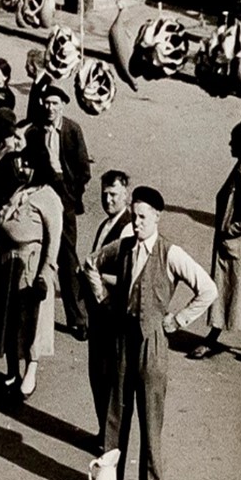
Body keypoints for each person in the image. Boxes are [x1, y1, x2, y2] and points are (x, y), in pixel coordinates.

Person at [84, 186, 216, 480]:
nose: (136, 222)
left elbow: (208, 289)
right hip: (122, 341)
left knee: (150, 422)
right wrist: (103, 297)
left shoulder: (170, 253)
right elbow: (91, 263)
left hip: (152, 345)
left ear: (157, 217)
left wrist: (178, 319)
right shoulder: (125, 246)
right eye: (134, 216)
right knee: (116, 416)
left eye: (143, 217)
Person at [0, 147, 63, 400]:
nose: (22, 169)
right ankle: (13, 370)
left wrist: (45, 273)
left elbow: (54, 239)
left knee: (29, 321)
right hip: (9, 262)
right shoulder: (21, 190)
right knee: (8, 320)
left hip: (30, 264)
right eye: (21, 164)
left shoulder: (48, 196)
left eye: (28, 164)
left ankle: (31, 371)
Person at [26, 83, 92, 340]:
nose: (50, 108)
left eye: (55, 103)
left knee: (67, 257)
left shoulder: (72, 130)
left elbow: (84, 169)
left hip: (65, 196)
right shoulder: (36, 131)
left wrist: (70, 194)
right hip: (43, 193)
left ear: (63, 105)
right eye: (47, 103)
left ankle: (78, 318)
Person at [191, 110, 241, 360]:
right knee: (238, 290)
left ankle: (213, 338)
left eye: (232, 139)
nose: (229, 143)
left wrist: (231, 230)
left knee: (230, 290)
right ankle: (214, 337)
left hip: (237, 242)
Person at [82, 169, 134, 429]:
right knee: (98, 374)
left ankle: (111, 436)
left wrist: (97, 276)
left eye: (113, 194)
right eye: (104, 194)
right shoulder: (107, 225)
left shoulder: (127, 229)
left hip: (112, 311)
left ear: (126, 194)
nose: (108, 200)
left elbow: (129, 277)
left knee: (109, 375)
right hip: (98, 311)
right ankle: (104, 430)